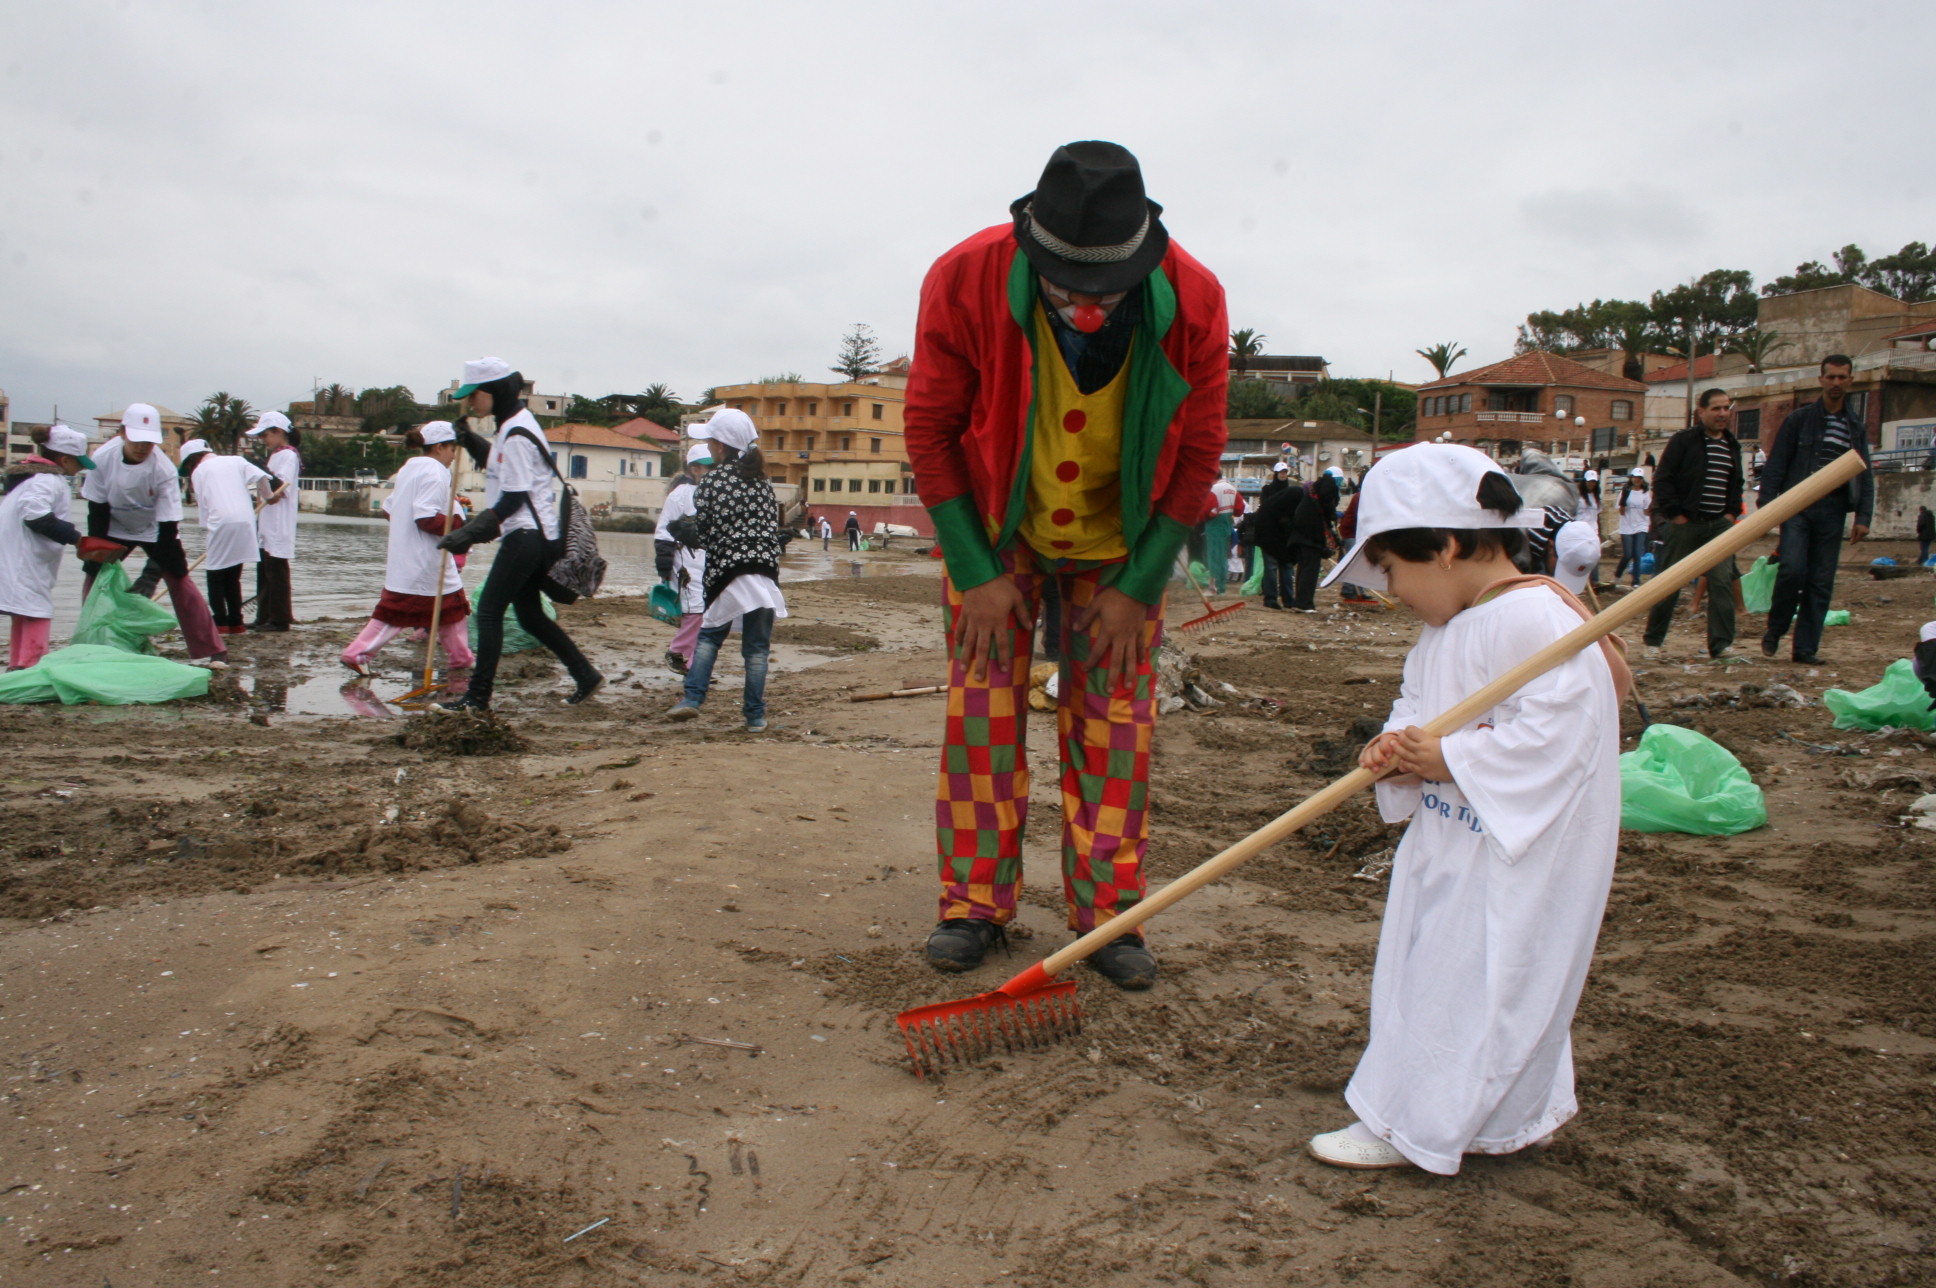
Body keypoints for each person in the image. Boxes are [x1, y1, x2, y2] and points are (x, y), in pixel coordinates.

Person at [903, 139, 1228, 989]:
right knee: (982, 714)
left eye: (1105, 293)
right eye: (1064, 289)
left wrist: (1140, 583)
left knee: (1117, 725)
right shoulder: (961, 279)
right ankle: (973, 903)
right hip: (994, 526)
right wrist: (974, 569)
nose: (1085, 307)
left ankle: (1109, 918)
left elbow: (1199, 455)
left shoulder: (1196, 300)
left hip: (1123, 541)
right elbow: (930, 431)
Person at [1305, 443, 1626, 1173]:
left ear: (1445, 547)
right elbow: (1417, 706)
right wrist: (1393, 747)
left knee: (1490, 978)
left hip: (1516, 856)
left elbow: (1565, 735)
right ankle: (1468, 1113)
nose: (1389, 591)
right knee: (1429, 968)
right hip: (1449, 841)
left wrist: (1450, 759)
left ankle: (1416, 1124)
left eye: (1390, 569)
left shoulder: (1538, 623)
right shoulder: (1442, 634)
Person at [436, 357, 603, 709]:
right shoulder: (512, 426)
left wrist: (469, 532)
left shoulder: (515, 434)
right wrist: (468, 440)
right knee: (528, 615)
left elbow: (513, 496)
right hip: (534, 535)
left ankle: (477, 697)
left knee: (489, 612)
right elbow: (500, 466)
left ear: (493, 391)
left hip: (526, 535)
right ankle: (586, 676)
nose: (470, 403)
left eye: (474, 395)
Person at [663, 410, 784, 730]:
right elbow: (767, 526)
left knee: (708, 638)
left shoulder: (713, 480)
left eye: (710, 440)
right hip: (765, 573)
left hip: (729, 571)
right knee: (757, 650)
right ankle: (755, 716)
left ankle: (692, 698)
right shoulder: (762, 481)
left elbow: (704, 533)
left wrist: (679, 530)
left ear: (718, 446)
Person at [80, 404, 226, 667]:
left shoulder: (164, 470)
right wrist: (96, 551)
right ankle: (88, 643)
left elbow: (168, 526)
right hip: (113, 523)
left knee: (180, 579)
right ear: (123, 432)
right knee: (94, 577)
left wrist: (152, 573)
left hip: (154, 528)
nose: (142, 447)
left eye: (148, 441)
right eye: (136, 440)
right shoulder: (102, 458)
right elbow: (97, 509)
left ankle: (210, 650)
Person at [1759, 355, 1874, 665]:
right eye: (1831, 377)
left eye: (1842, 377)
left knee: (1821, 581)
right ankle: (1775, 630)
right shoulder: (1799, 420)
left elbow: (1864, 473)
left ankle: (1806, 649)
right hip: (1798, 505)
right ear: (1821, 379)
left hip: (1833, 510)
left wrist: (1864, 517)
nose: (1836, 383)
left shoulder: (1855, 428)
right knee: (1792, 569)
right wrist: (1767, 506)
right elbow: (1777, 463)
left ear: (1850, 380)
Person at [340, 423, 474, 677]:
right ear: (439, 447)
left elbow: (389, 509)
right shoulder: (436, 471)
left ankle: (461, 658)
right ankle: (357, 653)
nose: (454, 455)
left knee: (451, 607)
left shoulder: (409, 468)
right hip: (423, 557)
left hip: (413, 554)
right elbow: (426, 518)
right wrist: (461, 526)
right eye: (452, 449)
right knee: (397, 612)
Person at [1642, 389, 1744, 660]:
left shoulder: (1732, 445)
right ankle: (1653, 641)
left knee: (1722, 581)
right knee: (1669, 582)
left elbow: (1737, 484)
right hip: (1686, 524)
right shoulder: (1683, 441)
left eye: (1726, 408)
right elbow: (1663, 479)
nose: (1723, 413)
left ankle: (1721, 645)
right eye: (1716, 409)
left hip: (1719, 526)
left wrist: (1731, 514)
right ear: (1702, 412)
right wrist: (1676, 515)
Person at [1, 424, 93, 669]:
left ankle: (16, 666)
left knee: (24, 610)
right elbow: (35, 515)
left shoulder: (30, 480)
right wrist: (74, 537)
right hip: (24, 560)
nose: (82, 467)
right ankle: (31, 665)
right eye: (79, 462)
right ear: (64, 459)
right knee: (37, 610)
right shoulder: (46, 481)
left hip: (20, 558)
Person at [179, 438, 270, 636]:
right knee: (233, 577)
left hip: (220, 522)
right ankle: (237, 622)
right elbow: (262, 477)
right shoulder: (235, 460)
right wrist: (269, 497)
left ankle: (220, 622)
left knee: (215, 575)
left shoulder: (199, 472)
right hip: (246, 522)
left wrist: (208, 528)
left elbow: (204, 505)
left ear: (190, 461)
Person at [658, 442, 712, 673]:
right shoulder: (680, 495)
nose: (712, 471)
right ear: (694, 469)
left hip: (708, 562)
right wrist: (664, 563)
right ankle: (679, 652)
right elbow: (663, 531)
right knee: (695, 611)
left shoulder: (715, 493)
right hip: (686, 565)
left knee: (706, 613)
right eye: (707, 468)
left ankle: (691, 662)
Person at [246, 410, 301, 631]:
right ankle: (263, 616)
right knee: (264, 569)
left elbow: (281, 489)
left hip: (279, 522)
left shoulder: (288, 455)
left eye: (265, 435)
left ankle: (280, 619)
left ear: (278, 432)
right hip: (266, 521)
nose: (262, 440)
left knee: (276, 571)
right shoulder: (276, 454)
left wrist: (263, 471)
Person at [1256, 460, 1295, 608]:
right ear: (1276, 474)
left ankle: (1288, 599)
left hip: (1285, 535)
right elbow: (1265, 510)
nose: (1283, 475)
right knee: (1271, 567)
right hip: (1270, 534)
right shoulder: (1268, 490)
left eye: (1285, 472)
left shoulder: (1290, 491)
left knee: (1285, 567)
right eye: (1281, 472)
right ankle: (1271, 598)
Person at [1612, 471, 1651, 587]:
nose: (1637, 480)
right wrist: (1623, 502)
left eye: (1639, 478)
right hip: (1626, 527)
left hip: (1641, 526)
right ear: (1631, 478)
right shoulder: (1625, 492)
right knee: (1628, 554)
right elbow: (1621, 512)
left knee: (1637, 554)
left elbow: (1646, 512)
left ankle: (1636, 581)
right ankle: (1618, 575)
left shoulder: (1645, 493)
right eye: (1635, 477)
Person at [1204, 475, 1241, 593]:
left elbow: (1208, 509)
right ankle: (1221, 586)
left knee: (1214, 556)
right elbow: (1240, 508)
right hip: (1227, 524)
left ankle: (1214, 587)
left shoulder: (1213, 489)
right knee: (1223, 556)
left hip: (1215, 524)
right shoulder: (1232, 489)